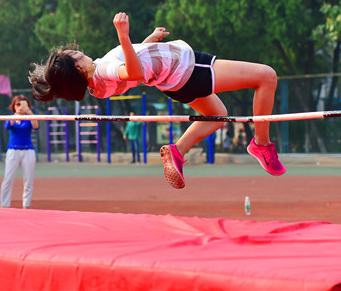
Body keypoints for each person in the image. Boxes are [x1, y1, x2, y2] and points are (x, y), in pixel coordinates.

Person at [29, 12, 285, 189]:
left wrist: (149, 40)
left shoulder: (97, 84)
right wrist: (123, 36)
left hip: (175, 84)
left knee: (217, 114)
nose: (79, 50)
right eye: (74, 54)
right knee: (266, 77)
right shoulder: (103, 70)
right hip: (187, 68)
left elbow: (135, 67)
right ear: (76, 68)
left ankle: (178, 150)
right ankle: (261, 144)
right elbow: (134, 72)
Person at [0, 95, 39, 209]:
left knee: (28, 180)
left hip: (28, 150)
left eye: (23, 104)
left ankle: (26, 205)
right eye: (18, 104)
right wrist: (16, 113)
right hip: (13, 150)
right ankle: (4, 205)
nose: (20, 106)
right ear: (14, 106)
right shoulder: (12, 117)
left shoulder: (29, 118)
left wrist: (29, 113)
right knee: (8, 178)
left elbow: (36, 126)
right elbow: (8, 126)